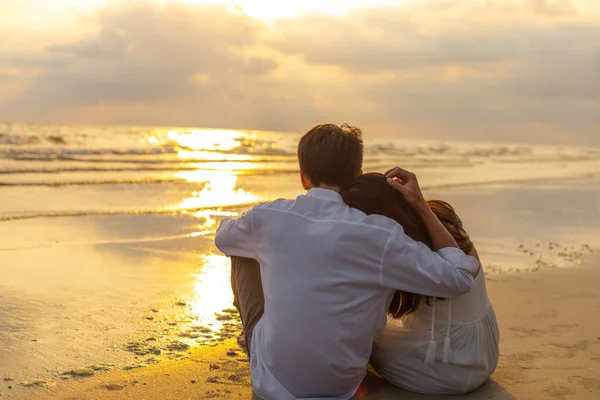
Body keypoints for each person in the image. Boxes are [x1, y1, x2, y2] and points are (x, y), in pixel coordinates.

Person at [214, 123, 480, 400]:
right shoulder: (381, 234)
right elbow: (460, 278)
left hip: (273, 384)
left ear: (304, 177)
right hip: (340, 387)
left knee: (242, 249)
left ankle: (260, 338)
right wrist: (420, 205)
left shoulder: (268, 217)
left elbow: (223, 237)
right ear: (357, 175)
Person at [342, 173, 499, 395]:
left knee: (350, 336)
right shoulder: (440, 218)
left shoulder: (399, 246)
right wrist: (418, 201)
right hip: (484, 353)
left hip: (444, 366)